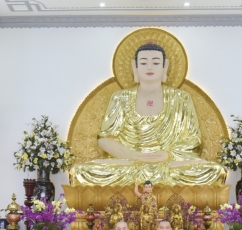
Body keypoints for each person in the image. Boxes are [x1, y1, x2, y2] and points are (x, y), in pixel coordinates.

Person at [69, 41, 227, 186]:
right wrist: (132, 155)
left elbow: (193, 141)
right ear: (134, 67)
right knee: (80, 171)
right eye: (143, 62)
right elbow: (105, 140)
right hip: (129, 163)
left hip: (169, 163)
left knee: (213, 171)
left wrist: (167, 154)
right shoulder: (121, 98)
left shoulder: (181, 98)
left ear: (165, 66)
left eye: (156, 62)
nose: (149, 67)